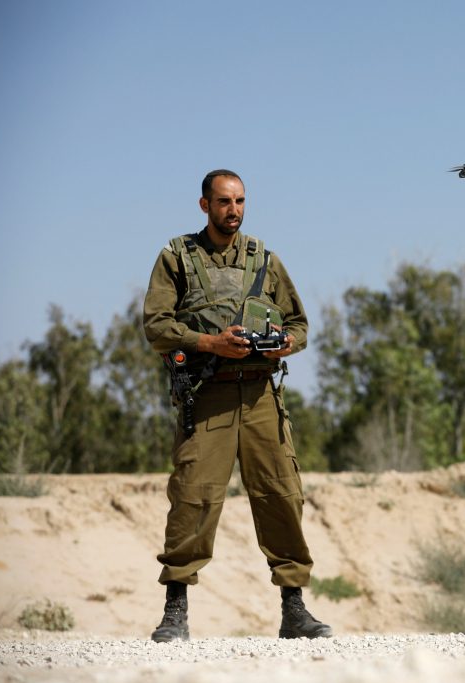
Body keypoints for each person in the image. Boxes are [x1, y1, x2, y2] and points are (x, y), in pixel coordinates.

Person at [142, 169, 332, 642]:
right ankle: (175, 611)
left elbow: (300, 324)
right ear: (205, 205)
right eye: (225, 201)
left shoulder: (264, 258)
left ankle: (294, 609)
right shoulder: (177, 257)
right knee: (193, 497)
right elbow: (156, 326)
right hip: (209, 395)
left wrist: (285, 343)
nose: (234, 210)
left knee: (281, 494)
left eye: (241, 201)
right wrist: (211, 343)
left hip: (262, 395)